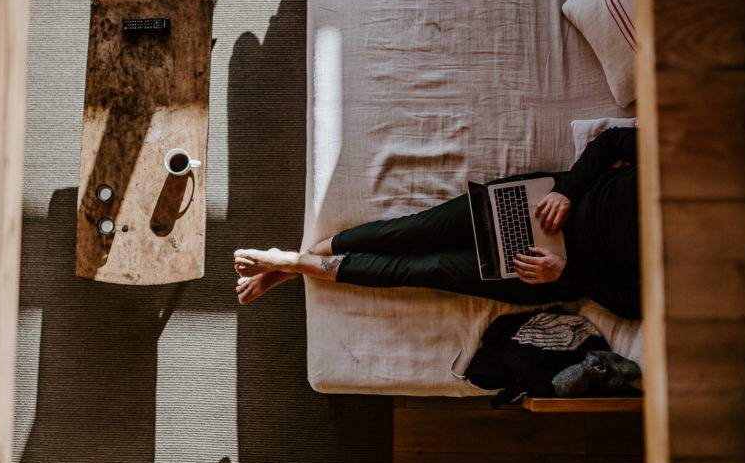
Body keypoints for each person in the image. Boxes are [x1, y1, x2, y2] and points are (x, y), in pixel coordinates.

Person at [234, 127, 640, 319]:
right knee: (412, 231)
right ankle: (294, 264)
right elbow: (611, 141)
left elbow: (635, 307)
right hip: (539, 203)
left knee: (422, 268)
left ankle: (293, 263)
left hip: (545, 269)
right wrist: (567, 190)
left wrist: (568, 273)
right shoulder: (673, 157)